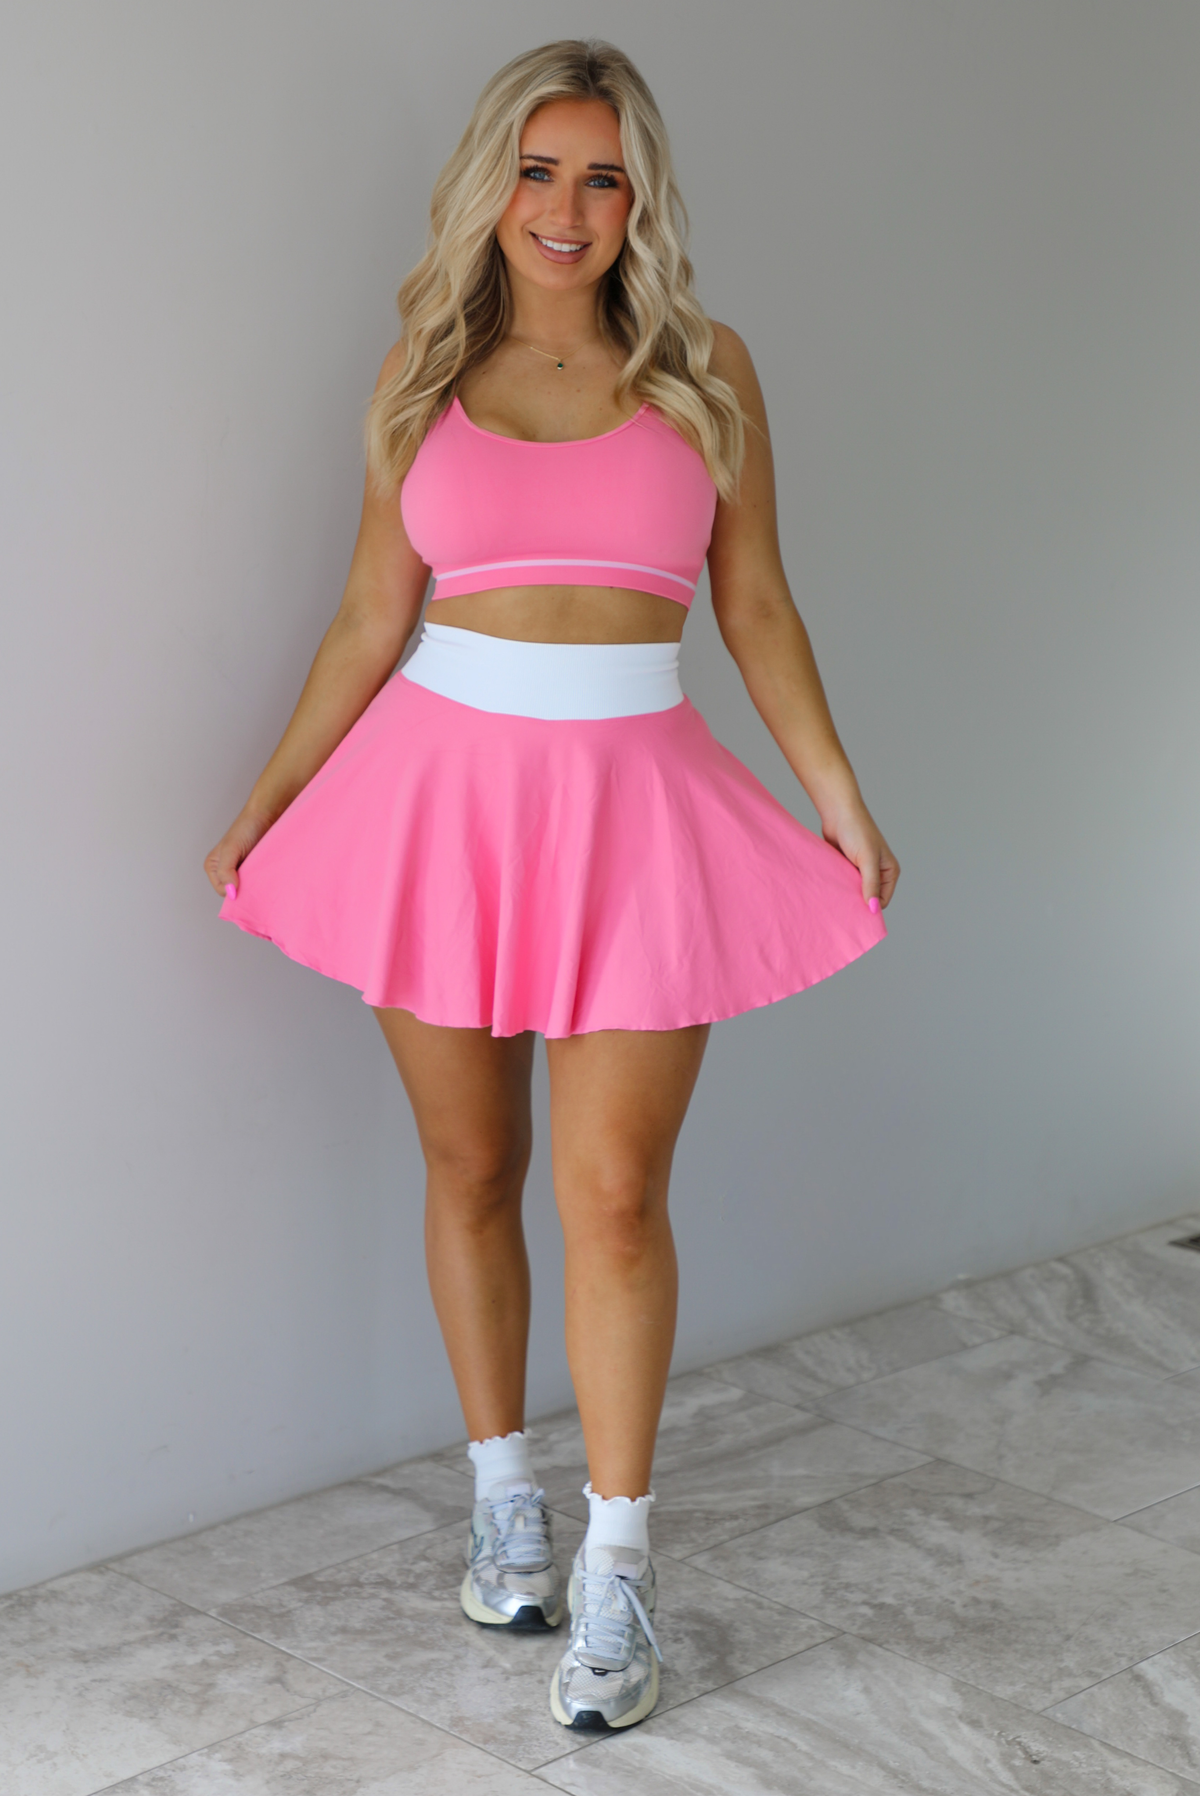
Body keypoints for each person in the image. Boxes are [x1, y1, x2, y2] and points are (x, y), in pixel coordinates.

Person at [204, 38, 898, 1733]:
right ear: (489, 190)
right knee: (471, 1163)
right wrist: (272, 798)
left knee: (611, 1198)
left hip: (636, 811)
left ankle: (619, 1562)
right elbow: (372, 618)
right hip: (432, 804)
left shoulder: (704, 372)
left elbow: (760, 611)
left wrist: (838, 797)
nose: (567, 207)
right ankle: (502, 1497)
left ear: (639, 194)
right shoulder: (420, 373)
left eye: (599, 173)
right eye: (536, 170)